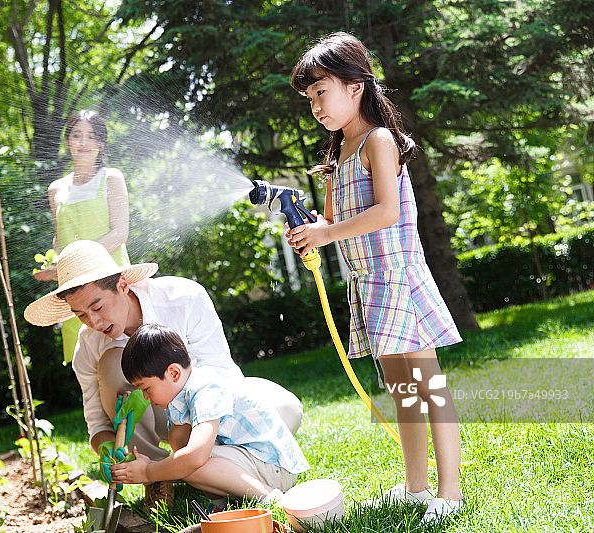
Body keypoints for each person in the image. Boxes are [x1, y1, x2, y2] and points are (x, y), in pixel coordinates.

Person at [286, 32, 464, 524]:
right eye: (310, 99)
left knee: (428, 385)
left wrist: (325, 233)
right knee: (401, 388)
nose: (316, 107)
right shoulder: (335, 157)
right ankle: (415, 487)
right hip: (367, 283)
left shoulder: (377, 141)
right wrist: (309, 233)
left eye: (321, 93)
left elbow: (385, 212)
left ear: (354, 86)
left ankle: (449, 495)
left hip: (398, 277)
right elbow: (329, 225)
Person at [24, 240, 304, 507]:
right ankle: (159, 475)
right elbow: (97, 422)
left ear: (122, 285)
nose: (93, 322)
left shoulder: (182, 297)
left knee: (288, 409)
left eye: (97, 307)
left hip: (212, 408)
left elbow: (220, 372)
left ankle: (199, 466)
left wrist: (192, 423)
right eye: (81, 315)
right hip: (167, 421)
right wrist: (109, 449)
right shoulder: (89, 345)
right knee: (111, 363)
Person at [110, 323, 309, 506]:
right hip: (253, 460)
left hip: (275, 467)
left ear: (173, 373)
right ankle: (225, 505)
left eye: (145, 388)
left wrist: (149, 472)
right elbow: (179, 444)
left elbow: (194, 457)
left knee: (191, 460)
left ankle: (270, 497)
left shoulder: (205, 390)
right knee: (184, 459)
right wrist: (152, 465)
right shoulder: (180, 396)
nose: (145, 398)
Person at [34, 110, 130, 363]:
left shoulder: (111, 178)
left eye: (91, 137)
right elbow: (59, 239)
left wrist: (81, 262)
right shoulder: (56, 189)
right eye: (76, 135)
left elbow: (120, 233)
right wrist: (56, 268)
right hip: (75, 294)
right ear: (67, 141)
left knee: (131, 360)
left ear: (101, 143)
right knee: (89, 369)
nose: (83, 143)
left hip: (111, 285)